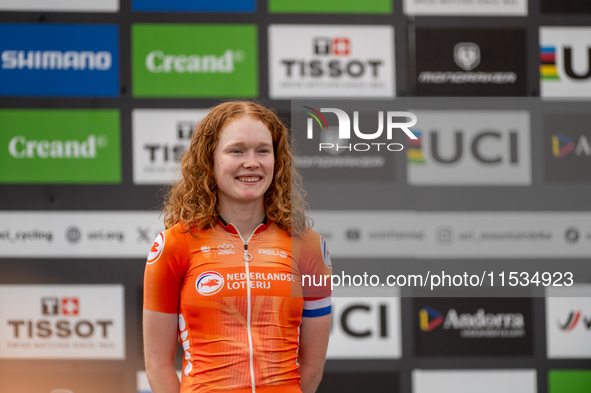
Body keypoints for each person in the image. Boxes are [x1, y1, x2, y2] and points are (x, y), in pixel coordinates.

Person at [143, 101, 333, 393]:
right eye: (236, 150)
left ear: (277, 160)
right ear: (210, 160)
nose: (252, 162)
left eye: (263, 150)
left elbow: (312, 367)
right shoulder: (175, 244)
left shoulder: (308, 247)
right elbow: (158, 365)